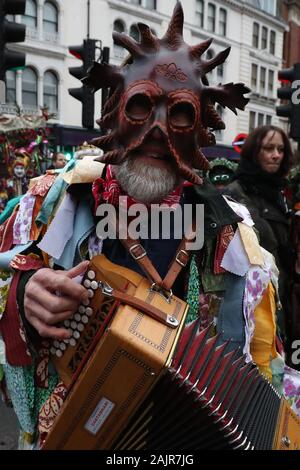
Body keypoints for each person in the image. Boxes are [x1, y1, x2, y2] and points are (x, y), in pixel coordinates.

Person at [0, 2, 300, 449]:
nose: (158, 130)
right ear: (115, 109)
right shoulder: (50, 204)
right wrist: (23, 296)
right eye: (142, 106)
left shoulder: (235, 236)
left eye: (179, 113)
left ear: (201, 130)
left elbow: (262, 362)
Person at [224, 126, 294, 355]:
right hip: (251, 300)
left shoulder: (282, 192)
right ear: (255, 151)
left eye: (281, 149)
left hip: (281, 295)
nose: (276, 155)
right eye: (269, 148)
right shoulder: (236, 191)